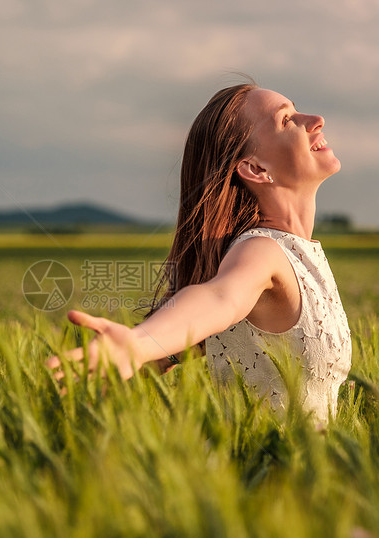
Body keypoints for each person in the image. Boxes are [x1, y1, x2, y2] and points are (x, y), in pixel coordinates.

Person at [45, 81, 352, 422]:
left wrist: (163, 353)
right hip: (264, 469)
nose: (316, 119)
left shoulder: (297, 254)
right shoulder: (262, 251)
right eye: (286, 120)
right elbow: (220, 298)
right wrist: (137, 344)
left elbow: (218, 325)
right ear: (256, 169)